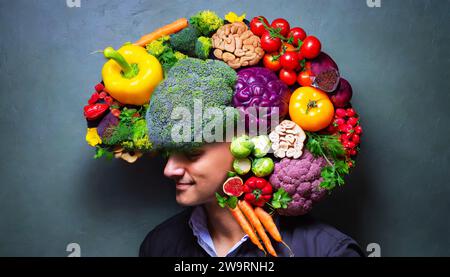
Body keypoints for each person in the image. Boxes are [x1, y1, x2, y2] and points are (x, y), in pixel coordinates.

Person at [139, 142, 364, 257]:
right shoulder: (159, 245)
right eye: (169, 154)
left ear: (245, 149)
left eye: (192, 153)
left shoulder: (327, 251)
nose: (169, 170)